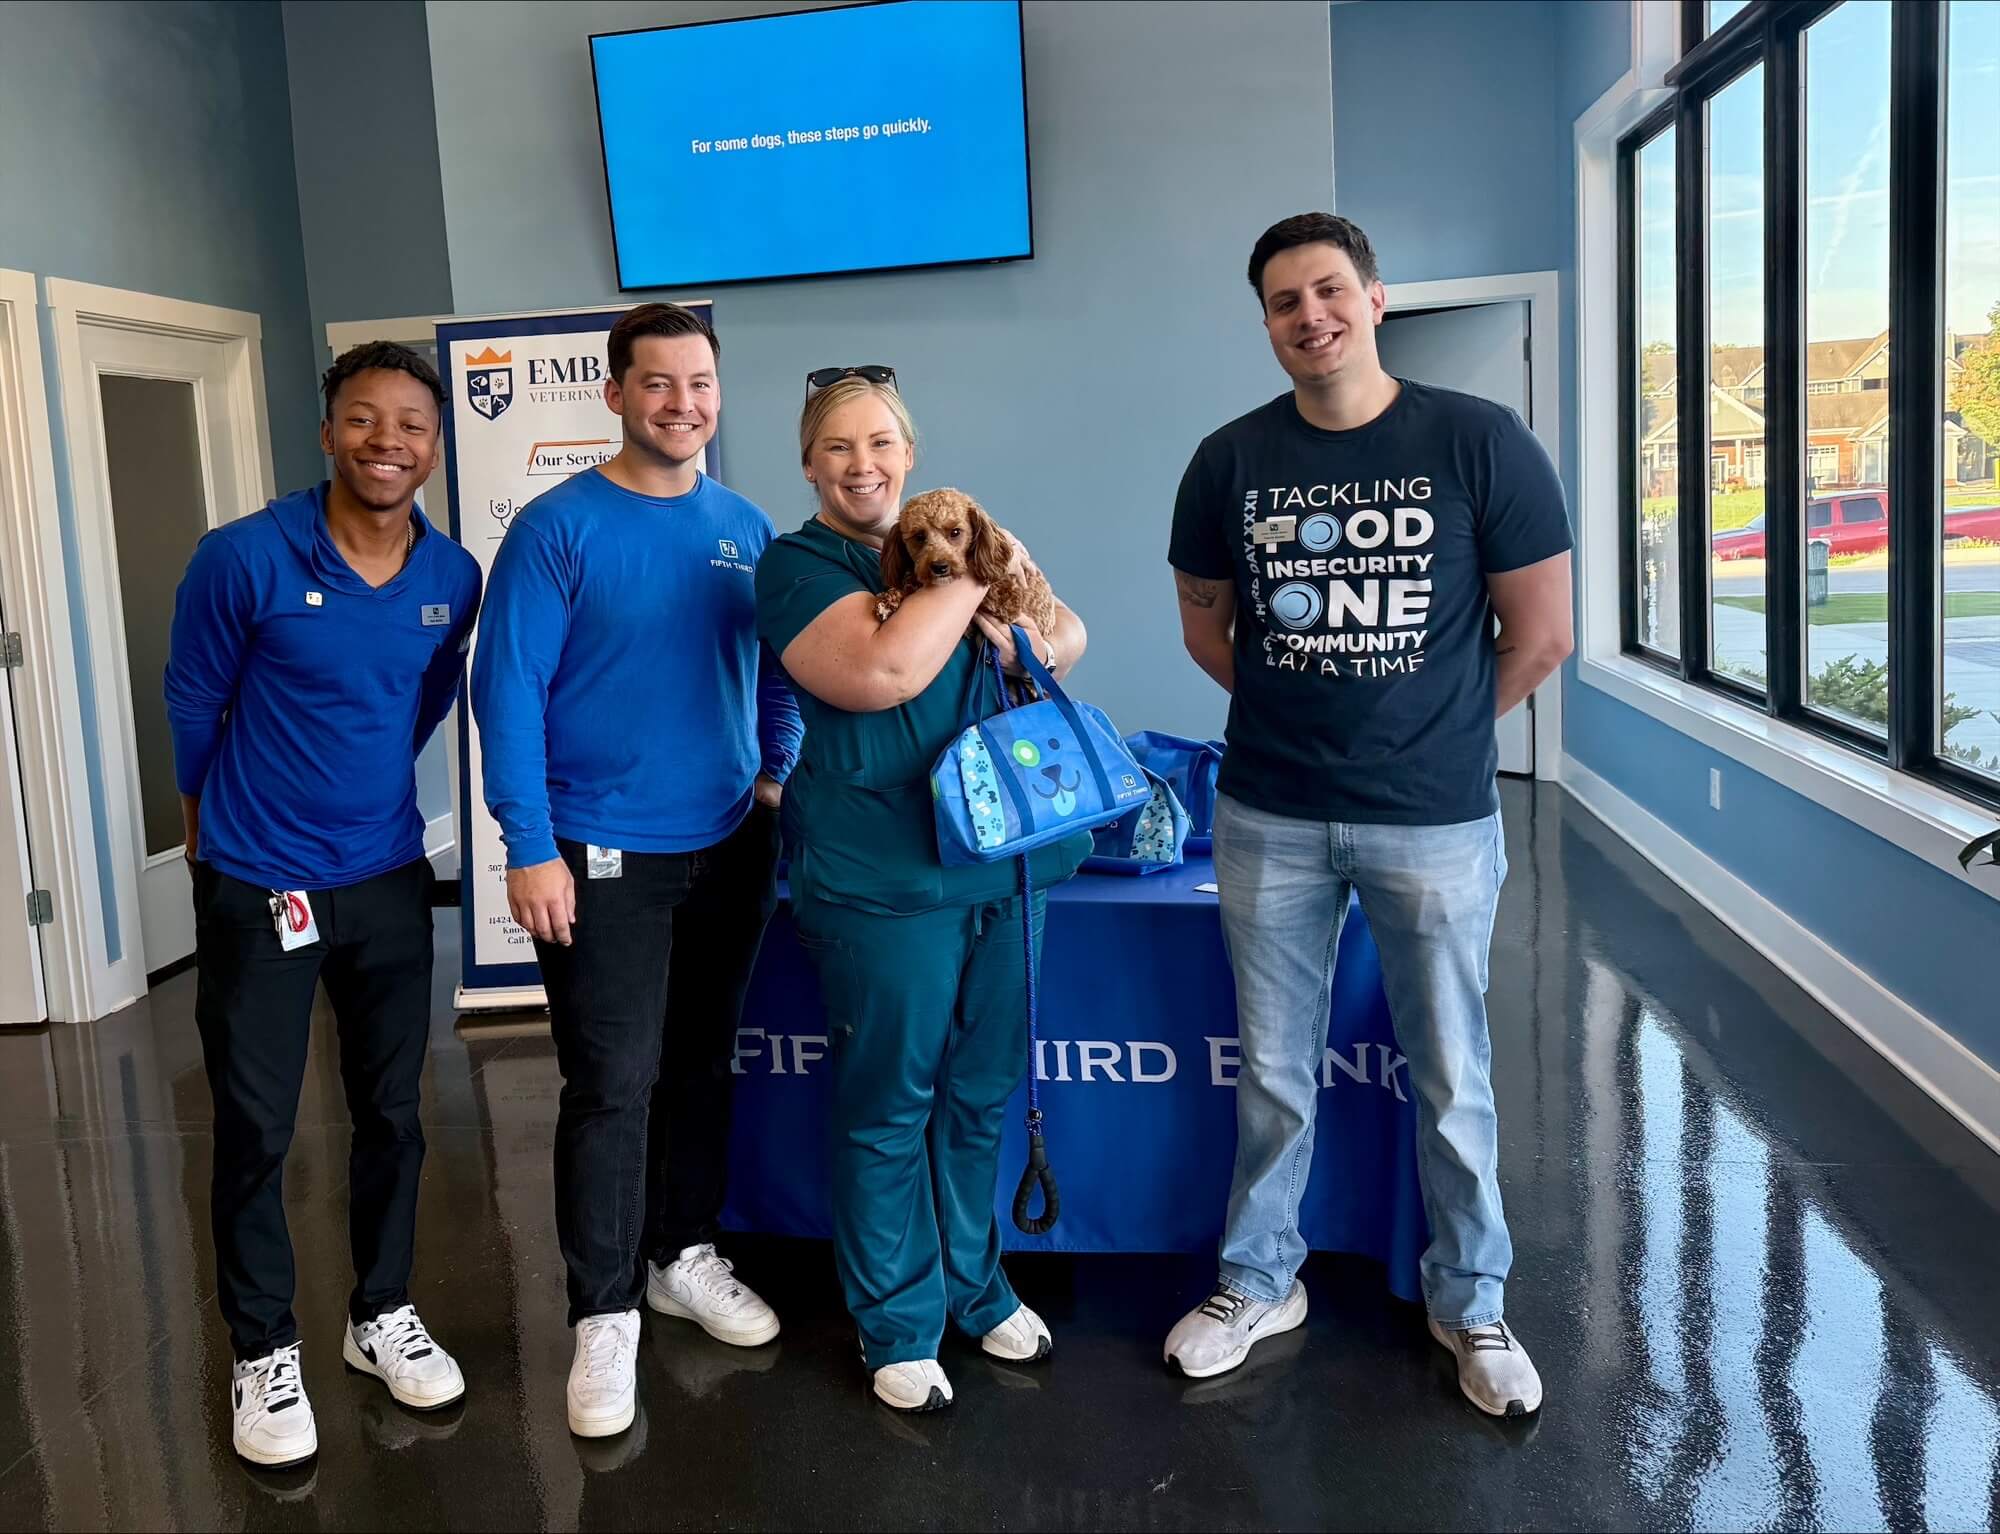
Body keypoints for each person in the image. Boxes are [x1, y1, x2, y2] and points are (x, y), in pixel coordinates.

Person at [1163, 213, 1574, 1416]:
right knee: (1272, 1071)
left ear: (1375, 298)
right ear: (1265, 323)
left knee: (1449, 1071)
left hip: (1432, 819)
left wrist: (1429, 731)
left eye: (1329, 289)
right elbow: (1207, 630)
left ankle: (1471, 1301)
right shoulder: (1228, 460)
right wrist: (1303, 714)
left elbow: (1540, 634)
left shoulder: (1477, 440)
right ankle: (1257, 1279)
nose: (1311, 315)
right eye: (1284, 300)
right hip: (1269, 812)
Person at [471, 303, 801, 1439]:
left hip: (729, 841)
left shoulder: (745, 526)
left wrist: (773, 774)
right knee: (612, 1081)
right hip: (596, 847)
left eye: (698, 383)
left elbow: (776, 670)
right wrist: (527, 844)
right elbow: (506, 691)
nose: (681, 403)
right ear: (614, 394)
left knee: (701, 1062)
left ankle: (681, 1255)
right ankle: (603, 1311)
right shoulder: (556, 527)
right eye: (657, 383)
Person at [166, 341, 482, 1468]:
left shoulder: (452, 576)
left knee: (393, 1113)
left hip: (386, 876)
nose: (387, 441)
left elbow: (425, 697)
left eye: (411, 425)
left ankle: (379, 1312)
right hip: (259, 880)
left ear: (434, 448)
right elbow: (194, 702)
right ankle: (262, 1347)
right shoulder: (242, 556)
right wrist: (205, 818)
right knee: (255, 1125)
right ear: (327, 432)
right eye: (363, 418)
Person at [753, 370, 1089, 1413]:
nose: (863, 464)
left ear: (909, 453)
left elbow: (1068, 634)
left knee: (980, 1092)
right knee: (889, 1104)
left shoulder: (965, 547)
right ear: (809, 463)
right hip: (883, 880)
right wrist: (974, 577)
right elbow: (882, 673)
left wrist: (1020, 621)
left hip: (1008, 860)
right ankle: (898, 1321)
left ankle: (976, 1288)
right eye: (839, 446)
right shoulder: (798, 565)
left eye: (882, 443)